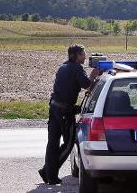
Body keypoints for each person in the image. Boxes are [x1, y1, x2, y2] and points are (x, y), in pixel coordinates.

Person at [39, 44, 99, 185]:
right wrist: (94, 74)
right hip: (65, 112)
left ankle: (48, 173)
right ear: (76, 56)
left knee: (52, 143)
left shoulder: (63, 66)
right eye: (83, 54)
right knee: (68, 143)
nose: (85, 57)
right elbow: (87, 85)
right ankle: (49, 172)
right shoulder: (77, 68)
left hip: (54, 108)